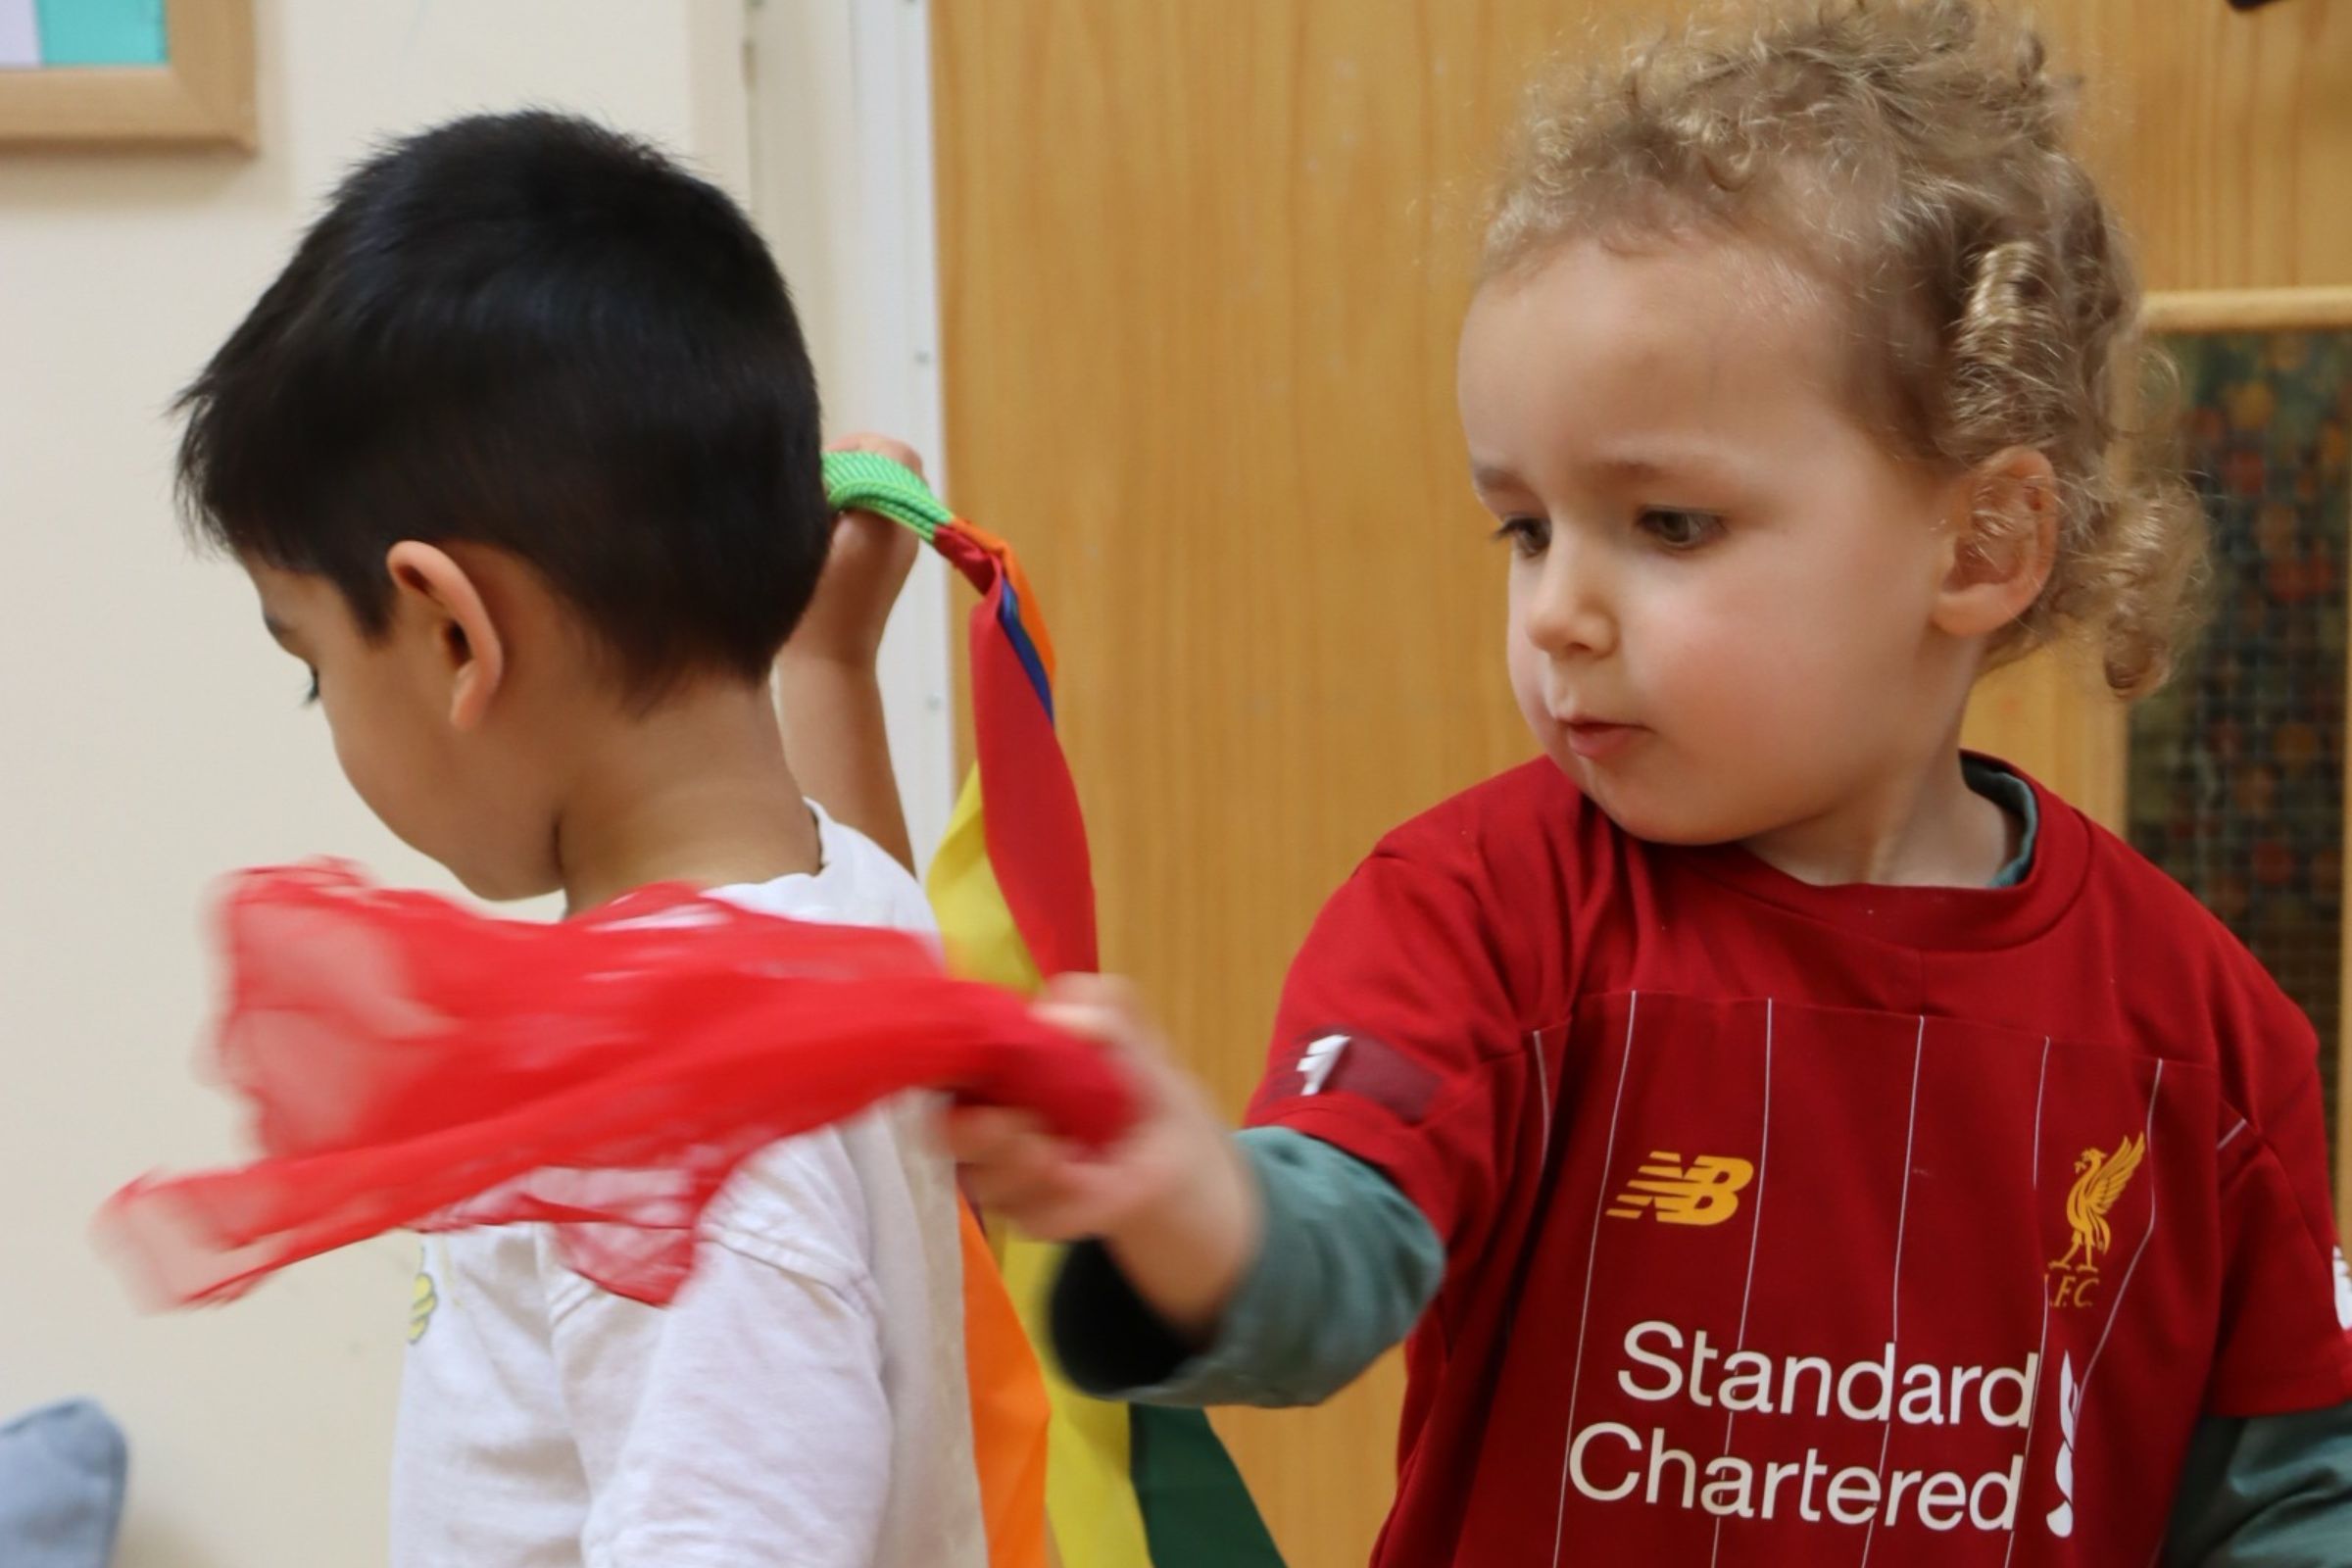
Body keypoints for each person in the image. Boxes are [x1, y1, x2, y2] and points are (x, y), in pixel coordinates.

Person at [942, 3, 2352, 1560]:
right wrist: (1192, 1207)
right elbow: (1333, 1252)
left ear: (1982, 546)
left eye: (1669, 525)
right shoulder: (1477, 915)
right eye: (1526, 527)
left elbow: (2289, 1493)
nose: (1559, 612)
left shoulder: (2208, 1039)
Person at [172, 109, 973, 1568]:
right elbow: (868, 949)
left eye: (314, 664)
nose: (324, 710)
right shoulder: (829, 909)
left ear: (448, 631)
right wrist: (833, 671)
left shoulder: (659, 1121)